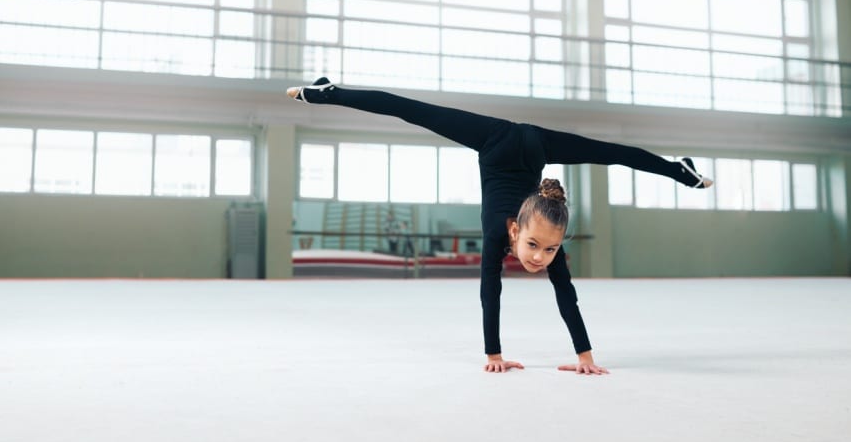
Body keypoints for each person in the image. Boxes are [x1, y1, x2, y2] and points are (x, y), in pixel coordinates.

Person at [287, 77, 713, 375]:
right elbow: (490, 292)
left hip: (527, 144)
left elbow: (566, 295)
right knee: (411, 111)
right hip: (500, 139)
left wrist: (585, 356)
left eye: (548, 250)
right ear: (515, 232)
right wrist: (494, 354)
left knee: (609, 152)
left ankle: (678, 169)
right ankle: (328, 93)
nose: (540, 258)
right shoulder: (501, 234)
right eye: (536, 247)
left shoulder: (544, 230)